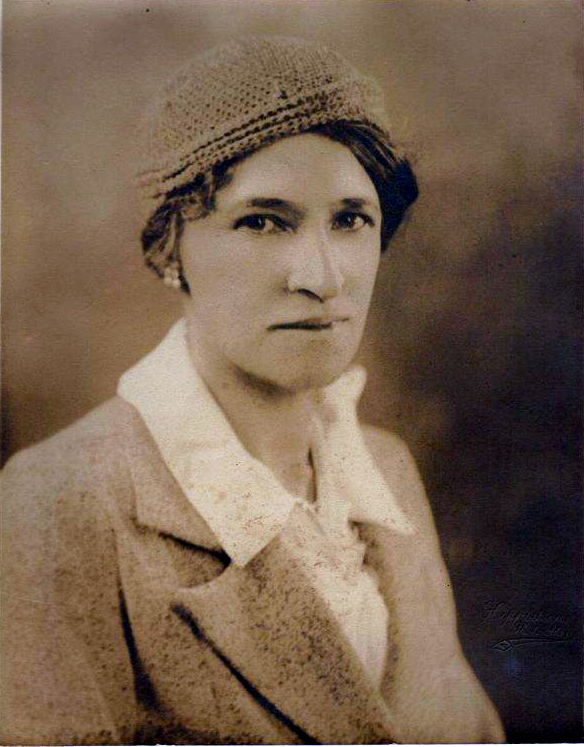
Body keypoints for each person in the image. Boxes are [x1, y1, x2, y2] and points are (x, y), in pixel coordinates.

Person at [0, 36, 504, 744]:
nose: (322, 278)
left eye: (351, 220)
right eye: (263, 221)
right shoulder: (58, 504)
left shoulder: (383, 470)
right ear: (171, 249)